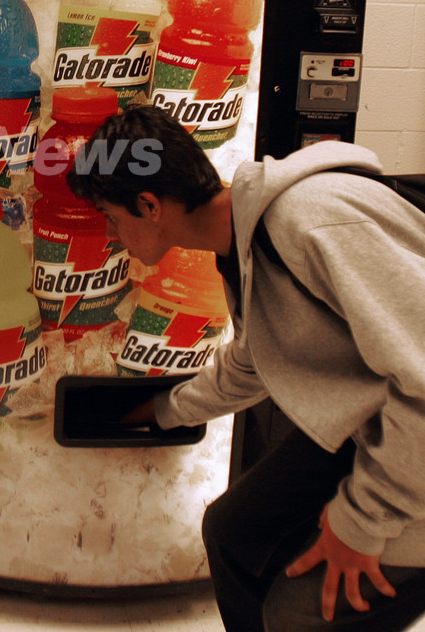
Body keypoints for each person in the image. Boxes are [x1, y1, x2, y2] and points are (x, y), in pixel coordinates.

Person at [68, 105, 425, 632]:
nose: (110, 233)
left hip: (412, 442)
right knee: (231, 532)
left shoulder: (309, 220)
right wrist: (158, 411)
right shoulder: (242, 244)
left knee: (295, 617)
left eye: (110, 216)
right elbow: (252, 364)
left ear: (148, 205)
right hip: (374, 426)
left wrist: (361, 525)